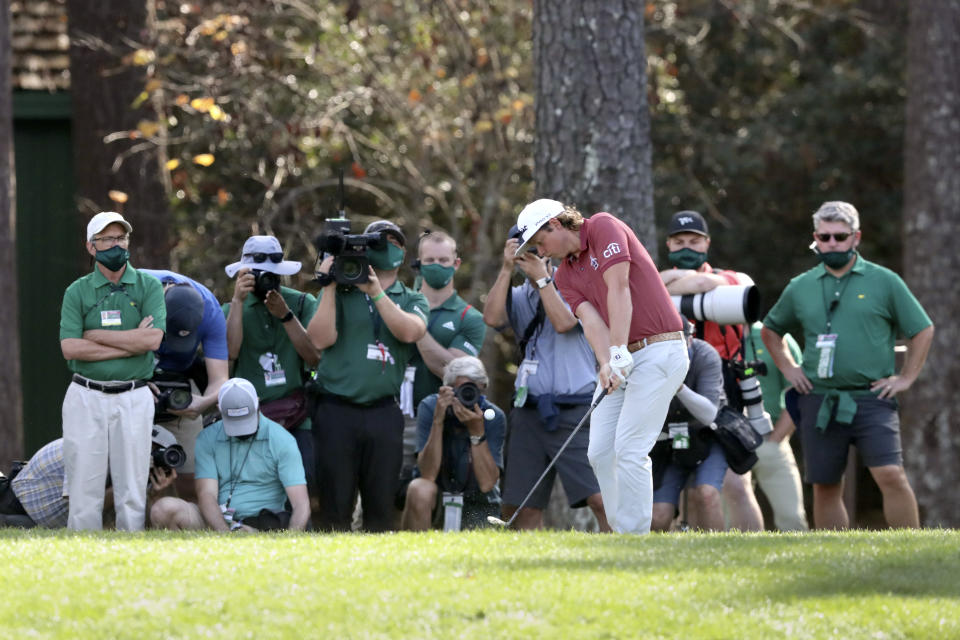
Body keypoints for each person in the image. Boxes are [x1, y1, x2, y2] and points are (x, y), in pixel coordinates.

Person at [516, 199, 689, 534]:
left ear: (555, 224)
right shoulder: (564, 274)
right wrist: (607, 362)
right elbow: (591, 322)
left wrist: (619, 349)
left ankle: (634, 537)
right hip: (624, 355)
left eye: (540, 242)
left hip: (661, 350)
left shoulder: (603, 227)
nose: (540, 251)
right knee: (599, 452)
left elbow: (619, 288)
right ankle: (619, 530)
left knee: (630, 448)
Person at [762, 201, 933, 529]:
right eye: (824, 237)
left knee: (890, 474)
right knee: (826, 484)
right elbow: (771, 330)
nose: (832, 244)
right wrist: (789, 369)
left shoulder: (884, 281)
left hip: (873, 398)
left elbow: (922, 329)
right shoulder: (801, 286)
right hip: (819, 398)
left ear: (856, 237)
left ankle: (910, 548)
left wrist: (906, 378)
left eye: (840, 237)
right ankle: (833, 556)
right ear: (816, 238)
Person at [483, 227, 609, 531]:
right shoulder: (518, 294)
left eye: (537, 246)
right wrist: (505, 268)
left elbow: (564, 322)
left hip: (575, 409)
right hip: (530, 411)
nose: (532, 252)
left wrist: (543, 278)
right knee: (522, 507)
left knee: (600, 499)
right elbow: (492, 318)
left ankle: (621, 555)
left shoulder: (575, 285)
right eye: (524, 247)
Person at [307, 220, 429, 531]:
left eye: (394, 242)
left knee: (380, 511)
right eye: (379, 240)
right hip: (336, 410)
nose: (387, 246)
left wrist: (375, 291)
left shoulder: (412, 297)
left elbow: (410, 331)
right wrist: (331, 285)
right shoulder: (341, 291)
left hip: (383, 413)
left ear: (402, 254)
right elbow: (319, 340)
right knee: (334, 509)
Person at [59, 211, 166, 531]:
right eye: (107, 239)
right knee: (83, 489)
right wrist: (130, 342)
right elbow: (71, 348)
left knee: (133, 488)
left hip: (134, 395)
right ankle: (82, 560)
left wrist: (95, 336)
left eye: (121, 238)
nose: (116, 245)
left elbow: (153, 339)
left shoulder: (148, 286)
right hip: (85, 394)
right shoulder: (77, 291)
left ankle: (130, 559)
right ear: (92, 247)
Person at [658, 209, 764, 531]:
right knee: (684, 479)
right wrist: (685, 283)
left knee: (734, 483)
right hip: (675, 384)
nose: (687, 247)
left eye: (694, 241)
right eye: (679, 242)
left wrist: (674, 282)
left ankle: (756, 550)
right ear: (668, 244)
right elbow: (658, 286)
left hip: (726, 387)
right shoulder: (657, 276)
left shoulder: (736, 279)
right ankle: (696, 550)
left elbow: (708, 281)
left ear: (706, 243)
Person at [150, 378, 310, 532]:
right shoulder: (207, 437)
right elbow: (206, 494)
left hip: (265, 522)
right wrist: (225, 533)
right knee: (163, 510)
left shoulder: (282, 439)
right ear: (219, 409)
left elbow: (301, 504)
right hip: (217, 519)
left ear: (258, 404)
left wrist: (289, 538)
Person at [222, 236, 320, 488]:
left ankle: (300, 526)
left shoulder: (300, 303)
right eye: (259, 274)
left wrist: (286, 316)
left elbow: (314, 357)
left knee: (302, 481)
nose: (267, 279)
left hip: (297, 414)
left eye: (273, 273)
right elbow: (230, 353)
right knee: (258, 485)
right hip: (251, 417)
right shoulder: (232, 309)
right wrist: (237, 302)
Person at [401, 230, 486, 485]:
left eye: (443, 261)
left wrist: (413, 325)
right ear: (418, 264)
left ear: (456, 264)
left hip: (438, 420)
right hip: (391, 417)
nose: (436, 266)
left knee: (427, 496)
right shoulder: (398, 303)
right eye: (429, 261)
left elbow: (452, 370)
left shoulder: (469, 317)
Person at [141, 269, 230, 500]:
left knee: (190, 473)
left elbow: (220, 379)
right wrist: (135, 382)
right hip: (130, 380)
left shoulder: (211, 311)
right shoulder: (132, 291)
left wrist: (203, 403)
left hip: (179, 382)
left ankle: (188, 524)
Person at [400, 357, 505, 530]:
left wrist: (477, 432)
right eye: (462, 390)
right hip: (438, 501)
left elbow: (487, 484)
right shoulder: (431, 406)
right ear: (447, 389)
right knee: (419, 489)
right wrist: (438, 421)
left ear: (483, 389)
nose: (467, 396)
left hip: (478, 503)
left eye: (473, 390)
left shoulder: (492, 416)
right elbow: (427, 475)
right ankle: (417, 554)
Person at [0, 431, 179, 528]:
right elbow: (81, 504)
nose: (151, 460)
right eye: (153, 451)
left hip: (49, 520)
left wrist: (154, 495)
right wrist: (133, 486)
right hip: (15, 504)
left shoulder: (133, 471)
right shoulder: (94, 449)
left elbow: (132, 528)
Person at [650, 320, 727, 531]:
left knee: (706, 494)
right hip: (669, 441)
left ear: (690, 339)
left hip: (708, 436)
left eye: (677, 344)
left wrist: (678, 386)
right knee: (658, 517)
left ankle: (723, 557)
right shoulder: (650, 359)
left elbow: (709, 415)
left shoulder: (706, 355)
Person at [742, 321, 809, 531]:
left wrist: (777, 437)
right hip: (729, 442)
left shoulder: (777, 337)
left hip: (771, 438)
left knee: (793, 519)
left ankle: (801, 563)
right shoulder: (712, 337)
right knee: (734, 524)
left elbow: (799, 390)